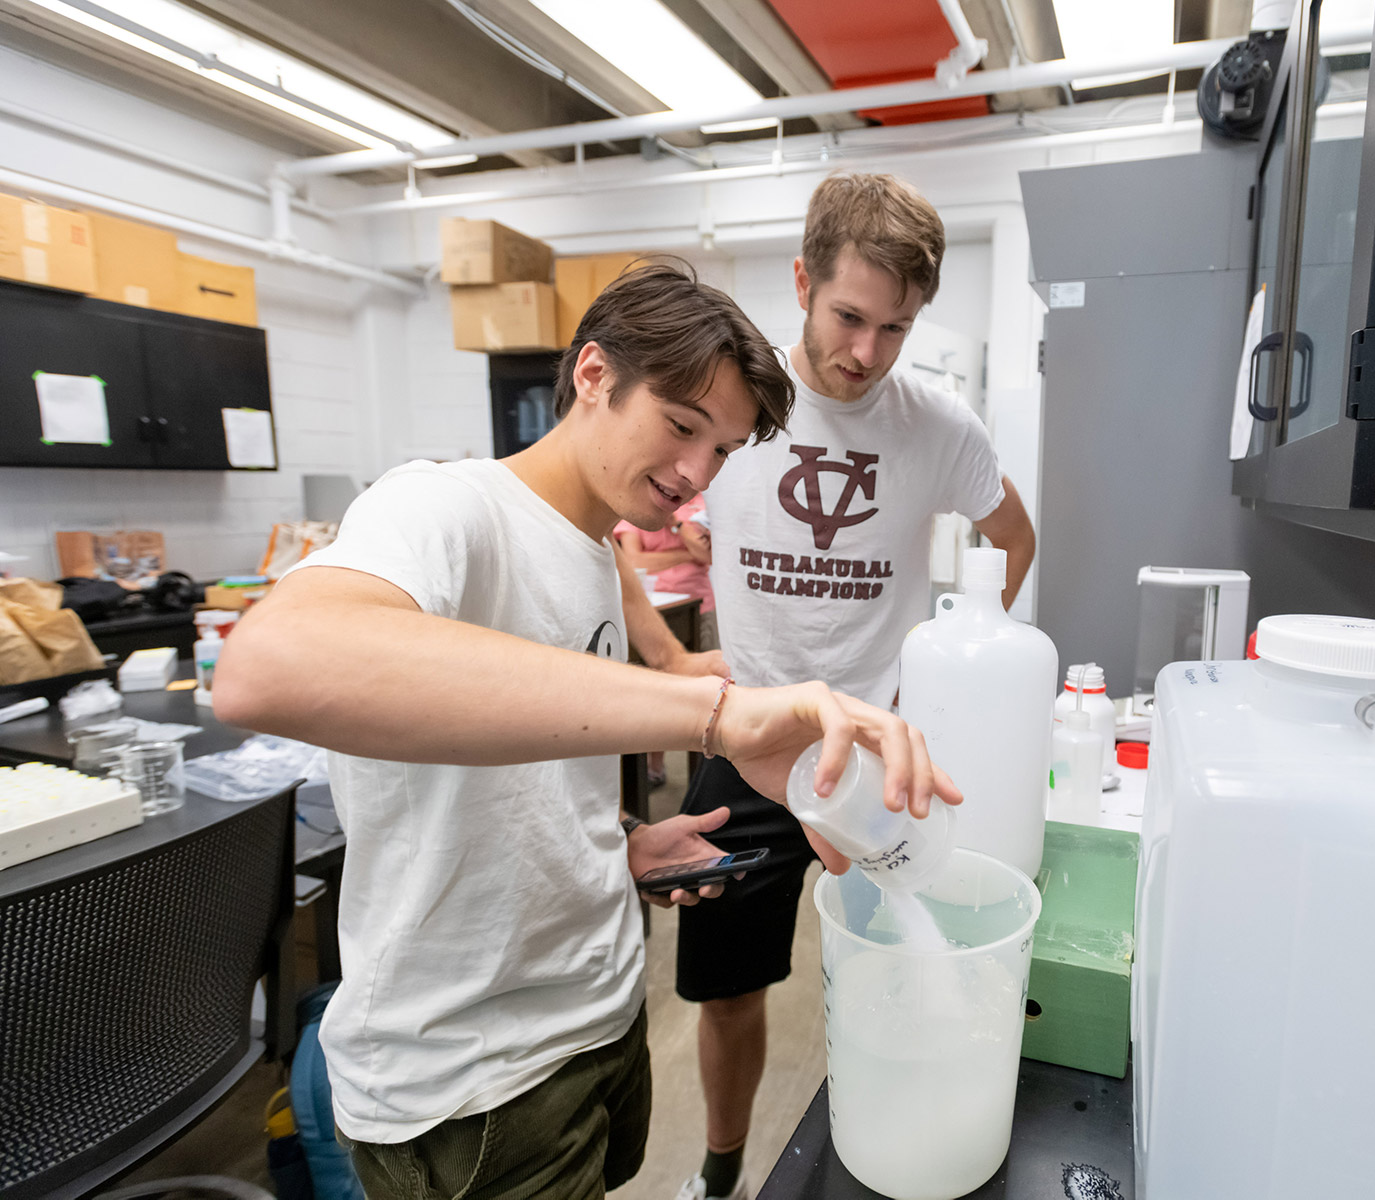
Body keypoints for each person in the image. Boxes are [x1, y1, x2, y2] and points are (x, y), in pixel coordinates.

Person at [211, 260, 960, 1200]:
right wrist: (716, 718)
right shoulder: (444, 506)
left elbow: (514, 767)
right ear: (595, 374)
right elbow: (267, 666)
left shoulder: (595, 553)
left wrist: (618, 844)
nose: (696, 475)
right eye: (683, 426)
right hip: (472, 1075)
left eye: (723, 450)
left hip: (595, 1016)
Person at [674, 173, 1038, 1200]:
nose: (865, 354)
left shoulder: (939, 429)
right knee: (728, 989)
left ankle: (903, 1136)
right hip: (745, 748)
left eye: (895, 327)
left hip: (874, 760)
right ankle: (717, 1173)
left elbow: (1012, 536)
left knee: (906, 968)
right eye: (846, 317)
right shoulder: (732, 412)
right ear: (800, 280)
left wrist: (978, 656)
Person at [616, 495, 718, 785]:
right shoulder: (638, 504)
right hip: (651, 609)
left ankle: (705, 771)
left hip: (699, 607)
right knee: (651, 692)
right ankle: (655, 766)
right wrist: (687, 553)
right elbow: (634, 560)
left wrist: (678, 525)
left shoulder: (698, 505)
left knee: (706, 695)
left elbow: (707, 553)